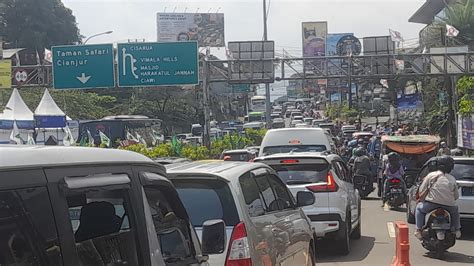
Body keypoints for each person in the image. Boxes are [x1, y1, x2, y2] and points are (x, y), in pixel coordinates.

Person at [414, 156, 461, 240]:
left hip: (431, 205)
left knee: (419, 209)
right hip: (449, 206)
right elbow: (456, 196)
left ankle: (418, 230)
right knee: (455, 211)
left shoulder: (431, 175)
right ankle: (456, 229)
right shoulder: (452, 179)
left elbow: (421, 190)